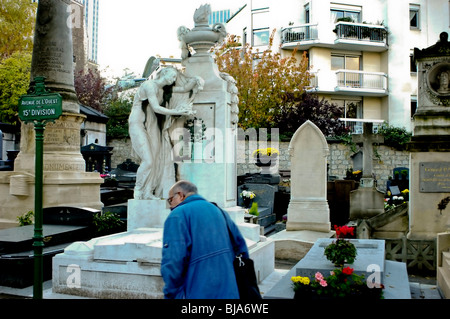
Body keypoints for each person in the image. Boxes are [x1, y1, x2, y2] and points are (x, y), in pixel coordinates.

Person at [161, 180, 249, 299]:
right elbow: (242, 249)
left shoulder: (177, 215)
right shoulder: (219, 211)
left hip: (199, 291)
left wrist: (171, 294)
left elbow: (174, 261)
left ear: (181, 195)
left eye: (170, 200)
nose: (170, 205)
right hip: (230, 290)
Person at [128, 67, 202, 200]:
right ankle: (138, 190)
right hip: (138, 124)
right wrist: (178, 112)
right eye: (172, 76)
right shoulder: (149, 85)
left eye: (175, 77)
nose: (173, 79)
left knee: (156, 160)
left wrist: (197, 80)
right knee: (148, 160)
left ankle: (148, 192)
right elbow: (156, 107)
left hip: (151, 125)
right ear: (163, 73)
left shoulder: (163, 89)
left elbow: (184, 89)